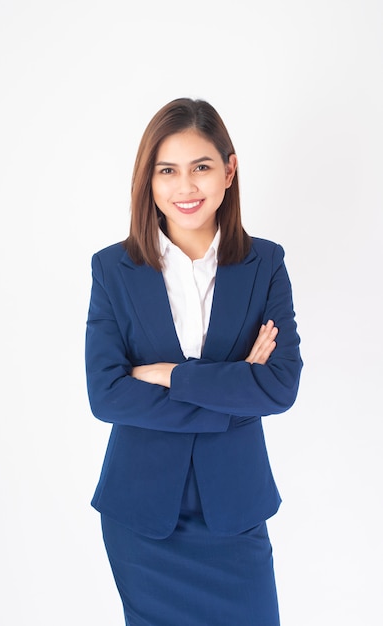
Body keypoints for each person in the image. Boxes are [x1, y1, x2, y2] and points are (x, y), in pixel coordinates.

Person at [85, 97, 303, 626]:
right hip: (141, 518)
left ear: (228, 171)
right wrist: (232, 395)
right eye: (168, 171)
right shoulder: (114, 268)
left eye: (201, 167)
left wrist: (171, 376)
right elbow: (107, 395)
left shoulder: (265, 263)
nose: (186, 188)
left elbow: (279, 388)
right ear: (149, 181)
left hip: (235, 513)